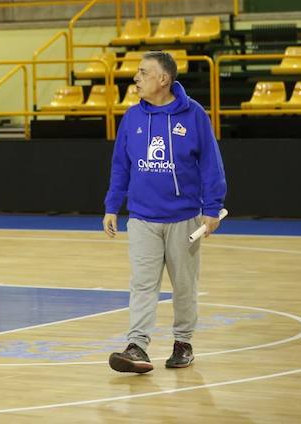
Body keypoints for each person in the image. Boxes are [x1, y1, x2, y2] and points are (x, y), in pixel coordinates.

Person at [103, 51, 226, 374]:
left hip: (184, 218)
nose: (136, 78)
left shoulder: (194, 114)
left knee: (184, 286)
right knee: (142, 285)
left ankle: (183, 343)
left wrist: (212, 208)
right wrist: (112, 206)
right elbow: (120, 166)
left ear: (163, 79)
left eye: (143, 72)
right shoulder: (132, 117)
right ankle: (137, 346)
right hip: (142, 218)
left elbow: (211, 165)